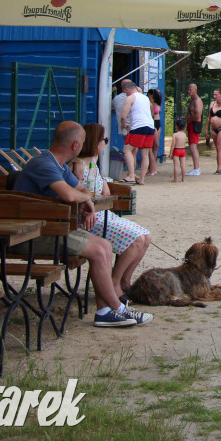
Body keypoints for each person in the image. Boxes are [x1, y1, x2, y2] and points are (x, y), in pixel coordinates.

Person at [15, 121, 151, 327]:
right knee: (98, 251)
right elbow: (70, 193)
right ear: (75, 145)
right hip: (28, 235)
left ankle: (105, 311)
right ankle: (118, 308)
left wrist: (85, 199)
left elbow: (82, 189)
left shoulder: (57, 165)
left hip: (50, 230)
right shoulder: (43, 164)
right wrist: (84, 200)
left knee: (104, 246)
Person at [72, 123, 153, 300]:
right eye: (104, 140)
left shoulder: (93, 163)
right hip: (89, 217)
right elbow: (80, 194)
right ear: (95, 142)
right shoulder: (78, 166)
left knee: (146, 237)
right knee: (137, 239)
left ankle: (125, 279)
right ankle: (114, 282)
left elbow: (105, 192)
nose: (105, 144)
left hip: (102, 213)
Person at [120, 80, 154, 185]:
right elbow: (152, 109)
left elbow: (123, 115)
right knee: (145, 153)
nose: (125, 94)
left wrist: (123, 125)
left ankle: (131, 175)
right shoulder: (145, 98)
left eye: (125, 92)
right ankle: (142, 179)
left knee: (127, 149)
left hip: (138, 127)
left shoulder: (130, 98)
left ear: (127, 89)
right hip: (150, 126)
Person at [185, 83, 203, 176]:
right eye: (188, 89)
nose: (189, 91)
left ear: (195, 89)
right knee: (191, 146)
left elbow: (197, 116)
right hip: (191, 123)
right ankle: (195, 168)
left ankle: (196, 168)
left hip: (195, 124)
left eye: (190, 89)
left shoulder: (197, 101)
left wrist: (188, 119)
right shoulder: (192, 100)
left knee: (193, 146)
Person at [146, 88, 162, 176]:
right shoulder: (149, 103)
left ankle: (153, 166)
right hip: (153, 123)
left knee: (156, 146)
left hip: (158, 124)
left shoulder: (156, 103)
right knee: (151, 146)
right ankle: (151, 168)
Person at [169, 117, 187, 182]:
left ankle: (175, 179)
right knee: (183, 165)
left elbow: (173, 144)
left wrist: (171, 153)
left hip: (177, 150)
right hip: (183, 150)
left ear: (176, 126)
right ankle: (183, 179)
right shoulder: (184, 135)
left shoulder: (175, 135)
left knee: (176, 165)